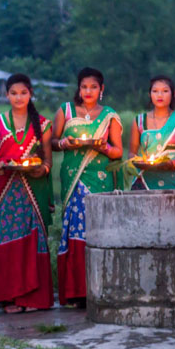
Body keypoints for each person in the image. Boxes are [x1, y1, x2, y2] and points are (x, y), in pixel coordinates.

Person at [52, 67, 123, 308]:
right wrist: (63, 143)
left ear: (101, 89)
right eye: (84, 87)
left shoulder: (110, 115)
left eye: (93, 87)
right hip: (73, 178)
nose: (88, 91)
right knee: (74, 229)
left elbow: (118, 152)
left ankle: (100, 290)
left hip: (100, 179)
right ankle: (75, 292)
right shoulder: (65, 111)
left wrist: (103, 147)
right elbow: (52, 142)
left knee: (97, 230)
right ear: (78, 89)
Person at [0, 74, 54, 313]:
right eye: (13, 93)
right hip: (7, 190)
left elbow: (48, 162)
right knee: (8, 240)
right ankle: (9, 298)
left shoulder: (43, 125)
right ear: (6, 95)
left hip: (33, 191)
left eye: (23, 93)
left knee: (33, 240)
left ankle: (33, 299)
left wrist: (40, 170)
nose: (18, 97)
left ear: (31, 94)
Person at [129, 75, 175, 190]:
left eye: (165, 91)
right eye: (155, 91)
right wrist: (139, 161)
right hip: (145, 182)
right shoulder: (139, 120)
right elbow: (131, 154)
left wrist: (172, 163)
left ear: (173, 93)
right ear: (149, 94)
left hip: (173, 181)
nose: (159, 95)